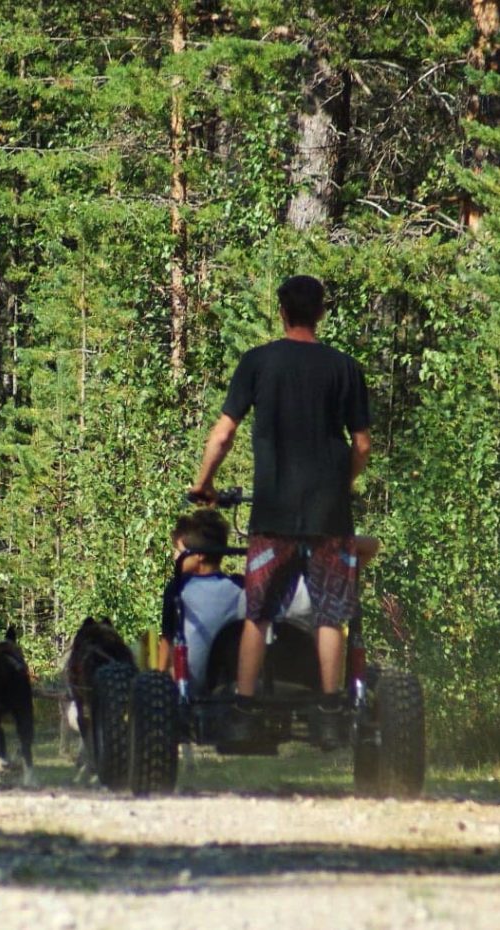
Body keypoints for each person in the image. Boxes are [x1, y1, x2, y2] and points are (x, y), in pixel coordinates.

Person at [190, 274, 371, 748]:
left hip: (272, 516)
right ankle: (331, 712)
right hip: (330, 517)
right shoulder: (346, 368)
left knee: (259, 613)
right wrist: (340, 485)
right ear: (322, 313)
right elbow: (363, 444)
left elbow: (224, 433)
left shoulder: (258, 362)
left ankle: (245, 711)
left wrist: (203, 483)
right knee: (331, 615)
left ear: (282, 312)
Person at [158, 509, 244, 691]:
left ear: (199, 554)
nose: (175, 556)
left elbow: (167, 641)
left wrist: (157, 682)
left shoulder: (178, 588)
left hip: (190, 687)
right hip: (230, 684)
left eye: (179, 550)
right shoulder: (239, 587)